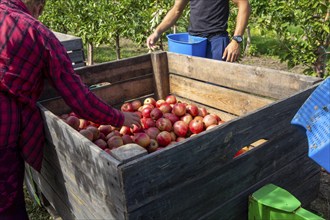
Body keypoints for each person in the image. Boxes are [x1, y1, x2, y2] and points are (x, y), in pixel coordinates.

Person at [0, 0, 141, 219]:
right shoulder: (39, 34)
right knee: (6, 203)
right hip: (3, 127)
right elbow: (79, 99)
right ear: (38, 5)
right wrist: (119, 117)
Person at [146, 0, 251, 62]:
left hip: (216, 41)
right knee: (192, 83)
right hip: (194, 41)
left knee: (216, 87)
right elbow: (176, 10)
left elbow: (244, 4)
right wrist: (157, 32)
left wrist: (236, 40)